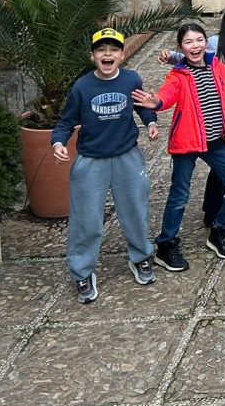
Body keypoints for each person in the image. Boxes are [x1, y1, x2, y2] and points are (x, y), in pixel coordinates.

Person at [134, 22, 225, 271]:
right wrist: (156, 102)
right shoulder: (178, 75)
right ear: (181, 47)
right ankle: (166, 245)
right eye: (188, 42)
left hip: (216, 142)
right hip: (186, 144)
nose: (195, 46)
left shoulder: (219, 69)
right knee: (179, 195)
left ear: (206, 43)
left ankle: (219, 231)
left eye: (199, 40)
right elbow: (166, 95)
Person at [54, 28, 158, 304]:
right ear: (93, 56)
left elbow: (142, 106)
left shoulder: (131, 79)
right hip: (91, 160)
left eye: (113, 49)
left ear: (122, 54)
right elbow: (66, 121)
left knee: (135, 211)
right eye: (102, 49)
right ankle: (82, 272)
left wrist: (151, 122)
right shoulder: (82, 87)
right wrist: (58, 142)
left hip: (127, 156)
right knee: (86, 220)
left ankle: (141, 257)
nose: (108, 54)